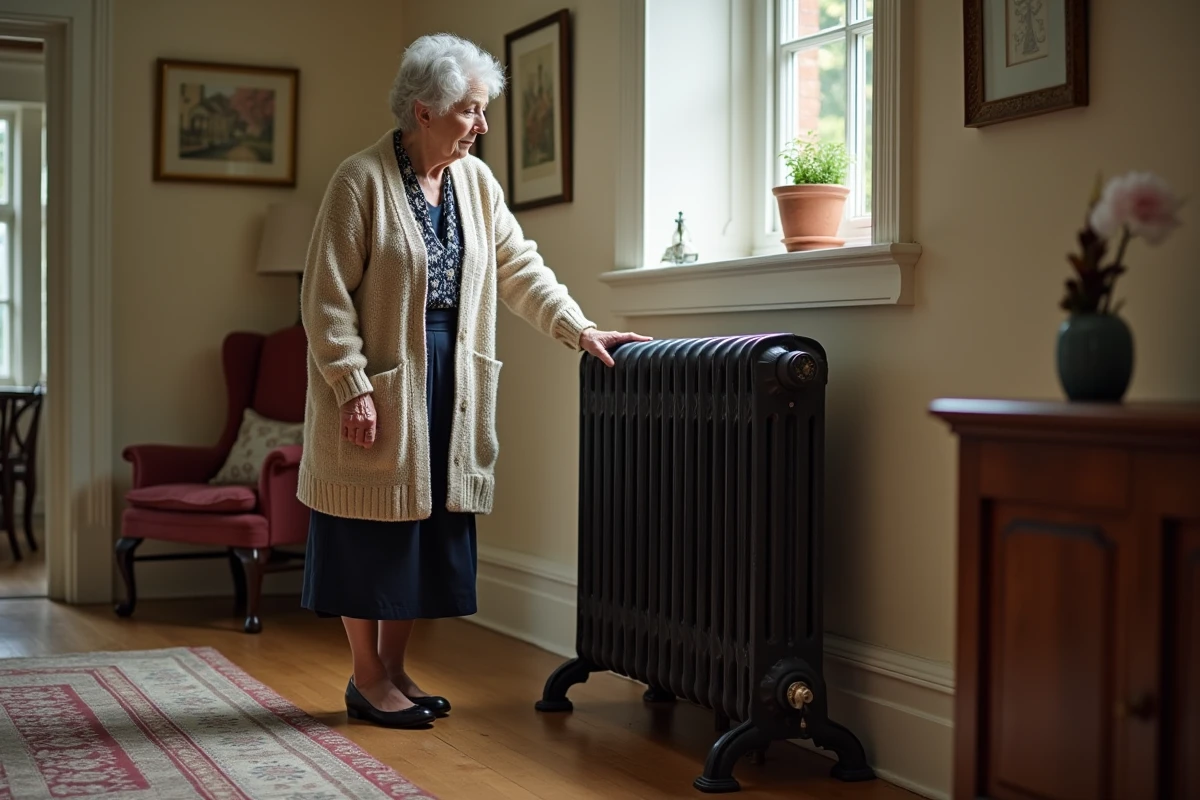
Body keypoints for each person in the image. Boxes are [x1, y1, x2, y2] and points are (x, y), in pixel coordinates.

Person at [297, 33, 650, 729]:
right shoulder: (358, 180)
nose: (483, 126)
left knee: (423, 530)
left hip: (452, 380)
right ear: (423, 110)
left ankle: (395, 671)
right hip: (384, 378)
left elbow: (520, 266)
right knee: (371, 531)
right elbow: (326, 296)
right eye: (471, 110)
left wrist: (579, 329)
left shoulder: (476, 183)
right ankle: (366, 679)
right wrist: (352, 384)